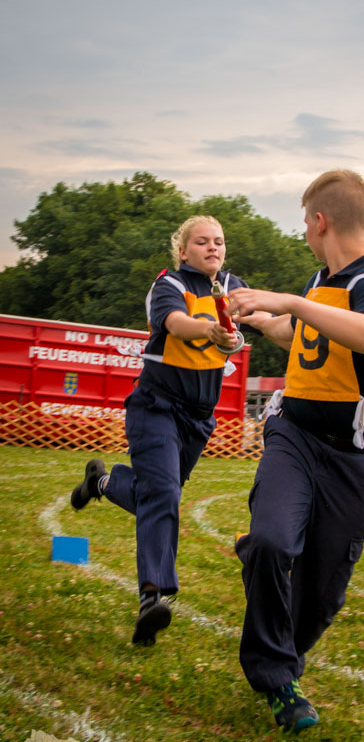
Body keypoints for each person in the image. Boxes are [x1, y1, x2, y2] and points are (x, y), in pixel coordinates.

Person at [227, 169, 364, 733]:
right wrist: (267, 321)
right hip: (295, 436)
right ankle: (278, 678)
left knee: (321, 593)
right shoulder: (321, 280)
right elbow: (305, 334)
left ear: (320, 221)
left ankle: (284, 644)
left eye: (305, 225)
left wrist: (289, 300)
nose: (306, 235)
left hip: (358, 459)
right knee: (271, 541)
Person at [70, 215, 249, 645]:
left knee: (158, 495)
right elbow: (175, 324)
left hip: (199, 416)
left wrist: (235, 338)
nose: (213, 248)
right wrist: (210, 329)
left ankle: (104, 481)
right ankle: (152, 598)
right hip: (156, 407)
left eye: (219, 242)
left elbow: (245, 326)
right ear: (183, 250)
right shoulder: (169, 284)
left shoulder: (233, 285)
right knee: (164, 494)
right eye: (202, 242)